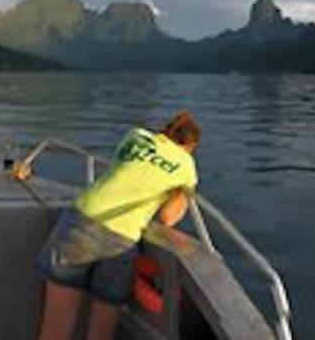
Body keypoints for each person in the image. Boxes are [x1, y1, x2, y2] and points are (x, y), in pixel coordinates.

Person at [36, 111, 201, 340]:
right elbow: (168, 218)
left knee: (56, 329)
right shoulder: (187, 166)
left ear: (165, 130)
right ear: (191, 146)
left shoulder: (136, 136)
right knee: (101, 331)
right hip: (122, 240)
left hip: (82, 223)